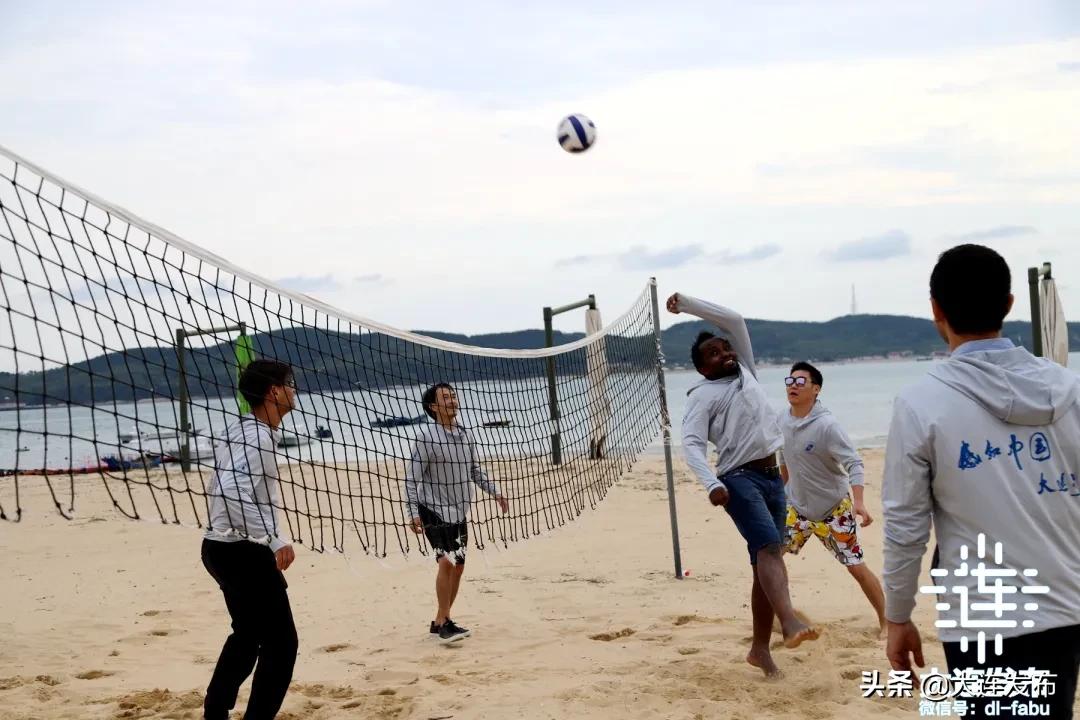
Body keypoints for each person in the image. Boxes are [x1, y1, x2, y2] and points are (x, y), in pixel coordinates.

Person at [883, 244, 1080, 719]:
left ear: (935, 310)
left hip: (983, 618)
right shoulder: (1069, 390)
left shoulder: (921, 403)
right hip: (1066, 605)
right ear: (1009, 304)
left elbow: (904, 527)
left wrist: (898, 615)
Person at [668, 292, 818, 678]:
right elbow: (692, 445)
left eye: (725, 348)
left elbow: (734, 319)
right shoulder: (702, 396)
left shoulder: (746, 371)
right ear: (702, 369)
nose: (725, 354)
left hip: (772, 479)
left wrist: (686, 303)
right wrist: (710, 483)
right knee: (769, 547)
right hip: (738, 479)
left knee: (764, 563)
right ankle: (790, 622)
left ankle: (758, 650)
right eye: (714, 354)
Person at [201, 358, 299, 720]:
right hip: (241, 551)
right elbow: (232, 490)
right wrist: (274, 538)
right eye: (291, 383)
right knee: (282, 645)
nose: (295, 389)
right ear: (274, 391)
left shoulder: (241, 429)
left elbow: (229, 488)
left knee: (247, 635)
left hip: (218, 547)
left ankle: (215, 711)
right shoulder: (256, 434)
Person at [779, 361, 886, 635]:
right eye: (789, 381)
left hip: (834, 510)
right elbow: (785, 460)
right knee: (771, 558)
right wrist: (779, 495)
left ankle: (887, 621)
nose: (793, 385)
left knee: (856, 567)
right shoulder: (782, 420)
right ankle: (786, 618)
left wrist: (859, 503)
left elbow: (855, 464)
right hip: (797, 509)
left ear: (816, 389)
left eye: (800, 381)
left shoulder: (827, 426)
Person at [406, 382, 509, 644]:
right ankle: (446, 623)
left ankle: (440, 619)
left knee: (459, 567)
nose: (452, 400)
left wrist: (495, 492)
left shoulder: (467, 435)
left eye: (453, 396)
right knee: (447, 562)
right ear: (433, 407)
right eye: (446, 397)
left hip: (459, 510)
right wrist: (411, 513)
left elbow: (475, 471)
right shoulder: (425, 437)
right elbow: (411, 479)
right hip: (432, 509)